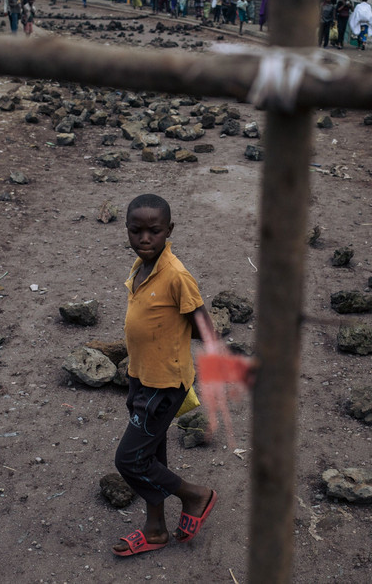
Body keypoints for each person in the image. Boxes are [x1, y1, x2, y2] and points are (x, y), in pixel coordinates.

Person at [111, 194, 218, 557]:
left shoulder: (176, 275)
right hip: (141, 377)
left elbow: (206, 331)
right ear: (126, 230)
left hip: (164, 386)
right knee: (152, 455)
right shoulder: (140, 267)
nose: (144, 239)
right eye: (136, 231)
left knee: (129, 459)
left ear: (168, 231)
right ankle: (155, 529)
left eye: (154, 231)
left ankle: (195, 495)